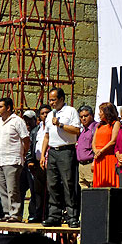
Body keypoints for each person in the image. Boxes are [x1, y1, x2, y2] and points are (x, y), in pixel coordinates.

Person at [41, 87, 81, 228]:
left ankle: (72, 216)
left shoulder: (70, 111)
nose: (51, 102)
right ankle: (54, 215)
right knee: (52, 184)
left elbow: (76, 130)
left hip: (66, 151)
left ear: (61, 99)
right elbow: (46, 136)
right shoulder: (50, 115)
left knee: (68, 184)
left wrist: (60, 124)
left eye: (53, 99)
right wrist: (43, 154)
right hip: (52, 152)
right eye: (50, 100)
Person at [0, 97, 30, 222]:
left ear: (8, 108)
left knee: (12, 188)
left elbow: (26, 139)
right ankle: (7, 212)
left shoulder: (17, 121)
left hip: (12, 159)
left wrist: (23, 153)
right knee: (1, 188)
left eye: (0, 106)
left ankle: (15, 213)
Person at [26, 103, 51, 222]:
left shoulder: (54, 128)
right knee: (37, 191)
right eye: (42, 113)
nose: (45, 115)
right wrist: (30, 161)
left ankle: (49, 215)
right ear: (39, 116)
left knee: (51, 190)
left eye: (47, 113)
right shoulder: (36, 130)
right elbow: (31, 146)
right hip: (37, 164)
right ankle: (38, 214)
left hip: (51, 163)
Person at [92, 102, 120, 188]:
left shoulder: (115, 123)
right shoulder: (99, 126)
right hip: (99, 158)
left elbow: (113, 141)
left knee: (110, 182)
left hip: (109, 157)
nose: (99, 114)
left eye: (101, 112)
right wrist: (96, 152)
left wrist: (101, 151)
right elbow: (93, 142)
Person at [20, 110, 38, 221]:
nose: (27, 122)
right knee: (20, 191)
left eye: (29, 120)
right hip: (22, 165)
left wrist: (30, 160)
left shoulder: (36, 132)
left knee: (34, 190)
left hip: (31, 165)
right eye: (25, 120)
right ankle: (19, 214)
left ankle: (33, 214)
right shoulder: (22, 132)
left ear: (35, 120)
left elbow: (32, 148)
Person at [76, 105, 97, 189]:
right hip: (81, 166)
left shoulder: (95, 128)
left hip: (90, 164)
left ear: (92, 115)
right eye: (81, 117)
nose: (83, 119)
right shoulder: (83, 130)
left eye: (86, 116)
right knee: (83, 190)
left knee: (92, 190)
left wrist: (94, 162)